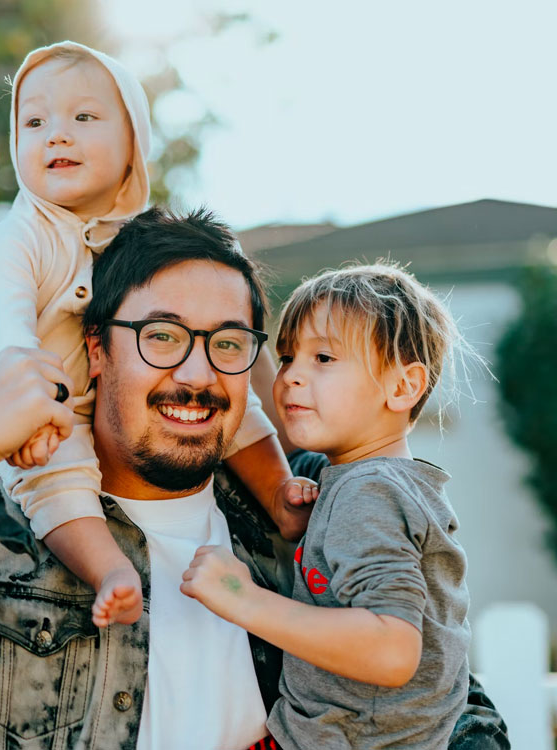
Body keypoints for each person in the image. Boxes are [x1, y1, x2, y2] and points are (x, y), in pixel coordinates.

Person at [0, 208, 509, 749]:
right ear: (97, 350)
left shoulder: (307, 504)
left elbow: (442, 691)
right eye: (161, 336)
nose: (196, 373)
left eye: (227, 343)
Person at [0, 41, 314, 628]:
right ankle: (109, 570)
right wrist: (30, 417)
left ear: (134, 143)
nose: (56, 135)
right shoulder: (18, 239)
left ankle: (279, 493)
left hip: (98, 400)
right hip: (40, 412)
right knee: (57, 481)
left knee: (234, 400)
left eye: (83, 117)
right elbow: (10, 343)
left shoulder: (139, 241)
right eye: (34, 123)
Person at [182, 263, 481, 749]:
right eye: (286, 357)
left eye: (323, 357)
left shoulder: (368, 492)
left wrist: (242, 598)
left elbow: (392, 650)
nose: (291, 377)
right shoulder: (378, 484)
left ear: (402, 387)